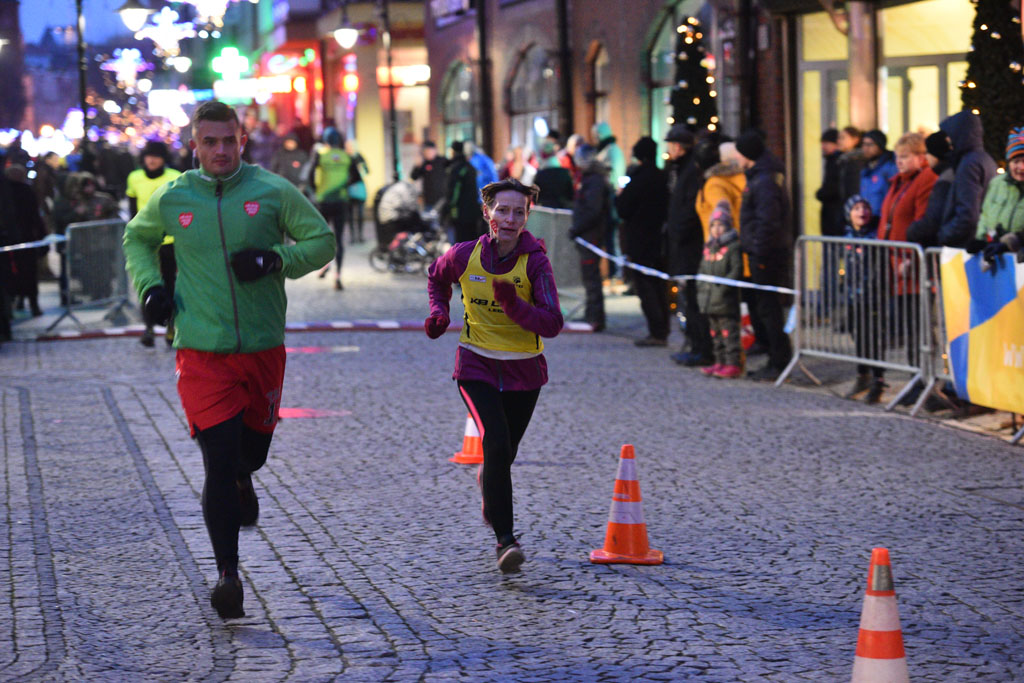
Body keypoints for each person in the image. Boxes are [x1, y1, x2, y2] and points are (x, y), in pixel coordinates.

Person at [122, 100, 334, 619]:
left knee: (251, 456)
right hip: (201, 351)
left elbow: (322, 241)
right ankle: (227, 576)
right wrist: (151, 290)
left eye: (229, 140)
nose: (220, 150)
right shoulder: (175, 197)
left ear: (242, 140)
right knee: (217, 460)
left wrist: (274, 259)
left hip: (262, 348)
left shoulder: (271, 190)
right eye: (209, 141)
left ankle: (246, 475)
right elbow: (137, 238)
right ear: (194, 145)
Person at [424, 178, 563, 574]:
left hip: (524, 368)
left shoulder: (535, 262)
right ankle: (506, 540)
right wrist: (440, 313)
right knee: (497, 443)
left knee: (504, 455)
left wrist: (515, 307)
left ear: (526, 217)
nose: (510, 218)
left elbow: (552, 322)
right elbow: (437, 277)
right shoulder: (464, 255)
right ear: (487, 213)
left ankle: (489, 481)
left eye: (519, 212)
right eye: (503, 210)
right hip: (475, 363)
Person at [876, 132, 937, 405]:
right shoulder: (898, 182)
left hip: (913, 268)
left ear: (920, 157)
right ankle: (916, 377)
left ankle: (925, 380)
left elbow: (923, 221)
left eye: (905, 157)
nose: (899, 162)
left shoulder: (925, 181)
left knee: (920, 327)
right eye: (897, 157)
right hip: (896, 266)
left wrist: (911, 258)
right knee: (910, 327)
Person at [735, 130, 793, 381]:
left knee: (770, 309)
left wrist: (758, 249)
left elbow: (767, 220)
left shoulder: (764, 180)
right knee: (765, 307)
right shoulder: (760, 176)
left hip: (767, 253)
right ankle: (775, 357)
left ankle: (779, 361)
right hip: (764, 250)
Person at [126, 140, 182, 347]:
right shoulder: (134, 178)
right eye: (148, 156)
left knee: (171, 285)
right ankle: (148, 327)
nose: (151, 160)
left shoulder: (175, 177)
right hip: (146, 241)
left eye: (156, 157)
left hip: (170, 241)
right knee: (147, 284)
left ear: (163, 159)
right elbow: (132, 209)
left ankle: (171, 327)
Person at [663, 124, 711, 366]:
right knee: (688, 299)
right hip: (681, 244)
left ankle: (702, 348)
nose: (669, 150)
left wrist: (678, 231)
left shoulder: (691, 171)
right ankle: (695, 345)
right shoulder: (679, 170)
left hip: (689, 246)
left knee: (693, 299)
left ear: (679, 147)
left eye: (671, 145)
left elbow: (690, 209)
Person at [616, 137, 670, 346]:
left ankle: (656, 331)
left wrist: (619, 197)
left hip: (641, 239)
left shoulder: (638, 178)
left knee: (646, 287)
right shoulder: (661, 177)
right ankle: (662, 328)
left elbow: (623, 208)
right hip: (659, 239)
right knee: (658, 285)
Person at [842, 195, 885, 403]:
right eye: (856, 208)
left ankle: (878, 379)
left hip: (872, 296)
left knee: (872, 338)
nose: (862, 212)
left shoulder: (875, 236)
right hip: (852, 296)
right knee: (856, 333)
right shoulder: (847, 236)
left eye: (865, 207)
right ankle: (862, 375)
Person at [52, 171, 119, 304]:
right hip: (86, 244)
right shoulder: (76, 202)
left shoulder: (104, 199)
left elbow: (115, 213)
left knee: (106, 270)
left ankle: (105, 294)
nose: (89, 188)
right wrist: (77, 213)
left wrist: (108, 223)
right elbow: (67, 220)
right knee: (91, 271)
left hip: (103, 242)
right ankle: (95, 294)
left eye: (91, 185)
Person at [936, 110, 998, 248]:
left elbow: (967, 214)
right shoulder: (984, 159)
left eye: (950, 137)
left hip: (965, 246)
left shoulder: (969, 164)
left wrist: (945, 235)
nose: (949, 142)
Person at [696, 201, 743, 378]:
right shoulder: (709, 248)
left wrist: (723, 288)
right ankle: (719, 361)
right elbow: (702, 270)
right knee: (715, 334)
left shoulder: (732, 247)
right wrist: (701, 288)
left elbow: (735, 270)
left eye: (721, 225)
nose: (716, 229)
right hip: (709, 300)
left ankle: (732, 363)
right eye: (713, 225)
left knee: (728, 333)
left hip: (724, 300)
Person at [0, 151, 47, 320]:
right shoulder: (23, 191)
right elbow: (36, 217)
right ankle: (25, 303)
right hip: (19, 239)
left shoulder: (23, 191)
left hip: (20, 239)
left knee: (21, 274)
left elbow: (34, 216)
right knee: (24, 274)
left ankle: (21, 304)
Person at [569, 144, 609, 331]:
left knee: (591, 275)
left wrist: (578, 228)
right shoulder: (588, 179)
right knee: (588, 276)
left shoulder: (594, 181)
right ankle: (591, 313)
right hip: (586, 233)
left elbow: (593, 210)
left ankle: (596, 317)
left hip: (590, 234)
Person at [973, 126, 1024, 268]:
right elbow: (986, 215)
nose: (1021, 167)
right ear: (1009, 162)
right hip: (998, 258)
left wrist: (1016, 242)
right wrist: (981, 240)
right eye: (1016, 161)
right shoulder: (997, 184)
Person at [311, 127, 351, 290]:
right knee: (339, 238)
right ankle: (338, 275)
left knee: (323, 236)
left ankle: (325, 263)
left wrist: (317, 191)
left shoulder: (321, 156)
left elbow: (310, 176)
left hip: (324, 201)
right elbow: (355, 176)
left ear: (326, 141)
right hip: (341, 201)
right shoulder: (346, 157)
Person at [906, 132, 954, 247]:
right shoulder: (948, 174)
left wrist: (912, 231)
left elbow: (933, 219)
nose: (926, 157)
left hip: (942, 246)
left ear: (935, 154)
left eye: (927, 152)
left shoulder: (944, 178)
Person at [444, 141, 480, 243]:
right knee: (473, 242)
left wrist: (448, 207)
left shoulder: (456, 168)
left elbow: (453, 192)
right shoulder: (470, 167)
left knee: (460, 242)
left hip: (460, 213)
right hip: (473, 211)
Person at [859, 130, 898, 216]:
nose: (865, 148)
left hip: (882, 219)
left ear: (880, 146)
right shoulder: (866, 169)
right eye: (864, 144)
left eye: (870, 144)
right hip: (868, 220)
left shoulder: (890, 167)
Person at [533, 141, 575, 209]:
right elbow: (570, 194)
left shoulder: (540, 174)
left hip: (546, 209)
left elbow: (536, 197)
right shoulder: (564, 172)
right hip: (562, 209)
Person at [411, 141, 447, 210]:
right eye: (426, 152)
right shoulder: (423, 163)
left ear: (435, 150)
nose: (428, 154)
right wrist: (417, 166)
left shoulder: (443, 161)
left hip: (442, 199)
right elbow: (414, 177)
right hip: (429, 201)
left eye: (430, 151)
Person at [345, 139, 369, 243]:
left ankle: (360, 235)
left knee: (360, 213)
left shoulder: (359, 157)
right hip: (348, 188)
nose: (349, 148)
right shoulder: (344, 158)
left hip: (358, 188)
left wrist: (362, 169)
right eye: (348, 146)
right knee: (349, 214)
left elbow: (367, 170)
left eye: (351, 146)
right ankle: (352, 236)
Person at [837, 126, 866, 204]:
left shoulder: (857, 161)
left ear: (855, 140)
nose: (839, 141)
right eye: (839, 138)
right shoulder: (844, 160)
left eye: (843, 138)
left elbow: (855, 189)